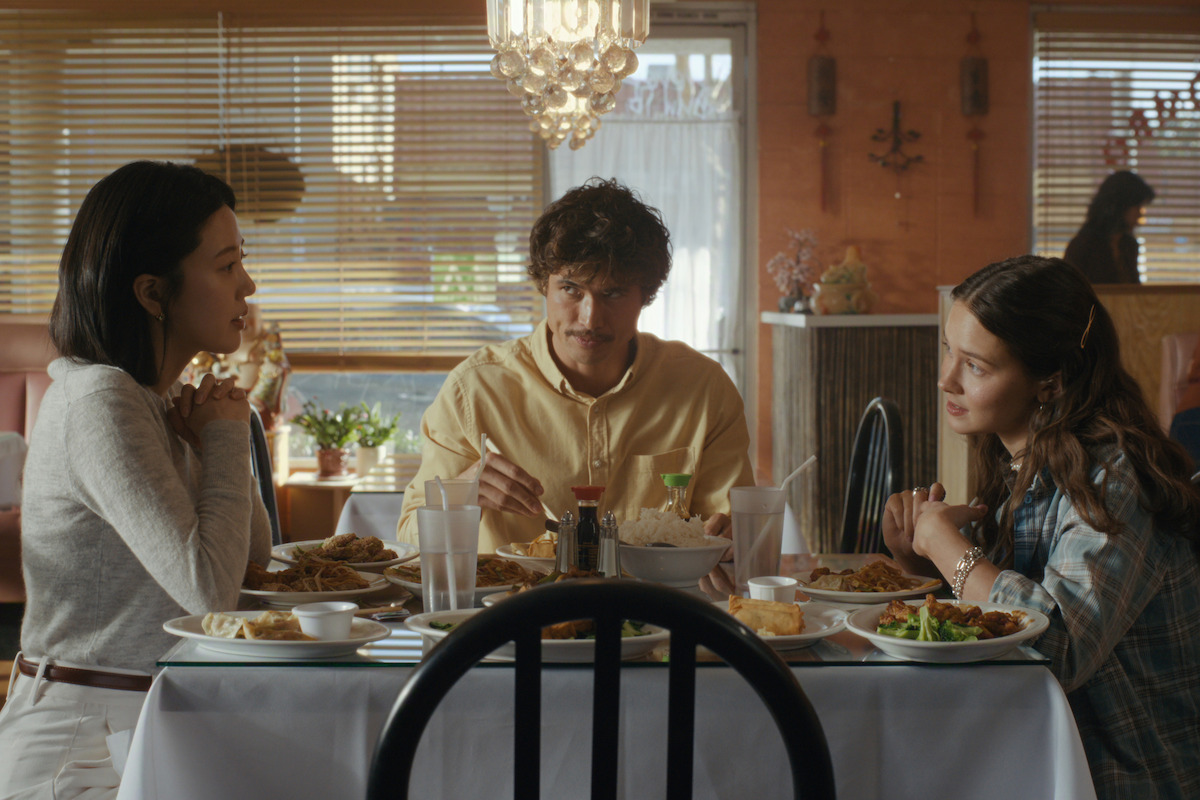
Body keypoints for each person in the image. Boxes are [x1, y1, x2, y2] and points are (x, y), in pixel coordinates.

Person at [0, 161, 273, 799]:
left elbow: (250, 563)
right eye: (227, 266)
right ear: (152, 293)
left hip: (141, 722)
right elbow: (211, 592)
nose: (248, 285)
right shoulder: (102, 401)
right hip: (84, 747)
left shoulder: (155, 398)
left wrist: (214, 440)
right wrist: (229, 438)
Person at [883, 255, 1200, 799]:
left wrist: (948, 547)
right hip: (1039, 752)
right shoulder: (1020, 457)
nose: (945, 380)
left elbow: (1058, 645)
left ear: (1049, 383)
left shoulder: (1112, 478)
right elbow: (1003, 602)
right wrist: (921, 563)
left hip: (1124, 775)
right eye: (948, 353)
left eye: (976, 367)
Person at [397, 178, 753, 554]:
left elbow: (729, 534)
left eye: (612, 293)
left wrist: (729, 545)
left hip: (655, 606)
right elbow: (409, 541)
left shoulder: (703, 388)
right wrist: (461, 495)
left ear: (645, 296)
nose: (589, 318)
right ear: (544, 287)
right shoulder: (473, 390)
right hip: (512, 610)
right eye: (571, 289)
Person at [1063, 170, 1155, 284]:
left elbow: (1134, 293)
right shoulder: (1083, 247)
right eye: (1137, 206)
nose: (1140, 214)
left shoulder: (1129, 245)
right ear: (1120, 206)